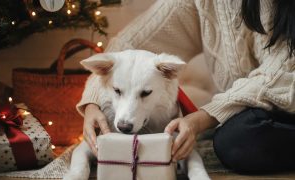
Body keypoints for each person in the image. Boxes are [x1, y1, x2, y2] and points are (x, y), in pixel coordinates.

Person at [76, 0, 295, 173]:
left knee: (235, 141)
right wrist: (92, 103)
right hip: (251, 113)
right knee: (233, 136)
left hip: (288, 105)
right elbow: (125, 47)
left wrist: (201, 118)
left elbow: (280, 74)